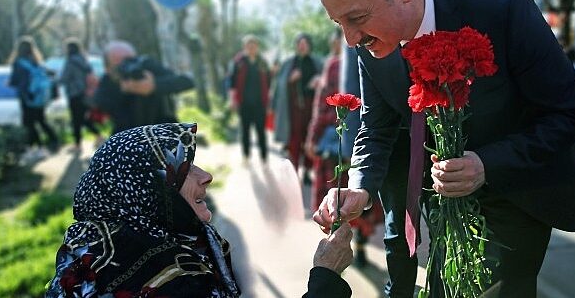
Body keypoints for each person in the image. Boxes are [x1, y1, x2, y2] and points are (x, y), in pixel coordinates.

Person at [312, 0, 575, 296]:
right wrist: (360, 186)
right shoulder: (368, 43)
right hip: (442, 212)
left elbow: (571, 112)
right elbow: (376, 125)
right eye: (339, 24)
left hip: (515, 197)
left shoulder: (503, 9)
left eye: (356, 18)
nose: (350, 39)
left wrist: (486, 164)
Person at [44, 123, 353, 297]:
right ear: (147, 196)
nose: (206, 176)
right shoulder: (174, 283)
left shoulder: (85, 252)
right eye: (183, 171)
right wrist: (326, 277)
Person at [338, 0, 434, 294]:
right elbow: (361, 92)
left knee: (441, 224)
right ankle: (400, 288)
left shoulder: (439, 8)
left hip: (440, 146)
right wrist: (357, 170)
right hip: (393, 142)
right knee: (398, 226)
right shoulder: (364, 23)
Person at [306, 28, 383, 268]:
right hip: (348, 142)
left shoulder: (359, 62)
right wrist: (314, 135)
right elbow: (322, 103)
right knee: (355, 196)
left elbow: (321, 106)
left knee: (347, 197)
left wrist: (313, 136)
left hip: (359, 141)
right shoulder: (341, 65)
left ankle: (344, 247)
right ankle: (352, 246)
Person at [93, 40, 194, 134]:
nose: (127, 65)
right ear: (107, 68)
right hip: (127, 134)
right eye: (120, 62)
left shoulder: (147, 67)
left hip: (162, 128)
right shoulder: (108, 81)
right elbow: (100, 102)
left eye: (130, 60)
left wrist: (154, 86)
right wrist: (122, 90)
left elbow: (186, 82)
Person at [272, 34, 322, 177]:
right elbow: (279, 84)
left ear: (309, 46)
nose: (302, 46)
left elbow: (326, 81)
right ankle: (294, 171)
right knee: (294, 138)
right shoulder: (289, 63)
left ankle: (307, 170)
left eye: (305, 43)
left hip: (312, 107)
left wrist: (318, 81)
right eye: (300, 43)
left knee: (310, 137)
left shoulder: (317, 63)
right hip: (293, 108)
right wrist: (290, 79)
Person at [8, 35, 59, 153]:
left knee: (28, 123)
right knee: (41, 120)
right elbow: (51, 74)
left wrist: (11, 83)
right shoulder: (36, 62)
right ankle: (53, 140)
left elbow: (15, 80)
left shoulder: (18, 63)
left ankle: (36, 146)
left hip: (27, 97)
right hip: (39, 97)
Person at [229, 35, 271, 163]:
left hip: (260, 103)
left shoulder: (262, 62)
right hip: (244, 103)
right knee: (245, 131)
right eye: (248, 45)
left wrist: (269, 102)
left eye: (253, 45)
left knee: (261, 131)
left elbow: (269, 82)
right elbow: (231, 82)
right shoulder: (238, 62)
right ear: (244, 47)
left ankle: (264, 157)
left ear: (257, 47)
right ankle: (246, 156)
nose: (251, 48)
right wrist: (232, 100)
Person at [59, 38, 103, 151]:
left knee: (77, 119)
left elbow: (64, 78)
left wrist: (56, 80)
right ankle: (98, 136)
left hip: (75, 93)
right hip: (86, 93)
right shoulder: (84, 60)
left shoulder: (70, 62)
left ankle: (78, 144)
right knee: (82, 118)